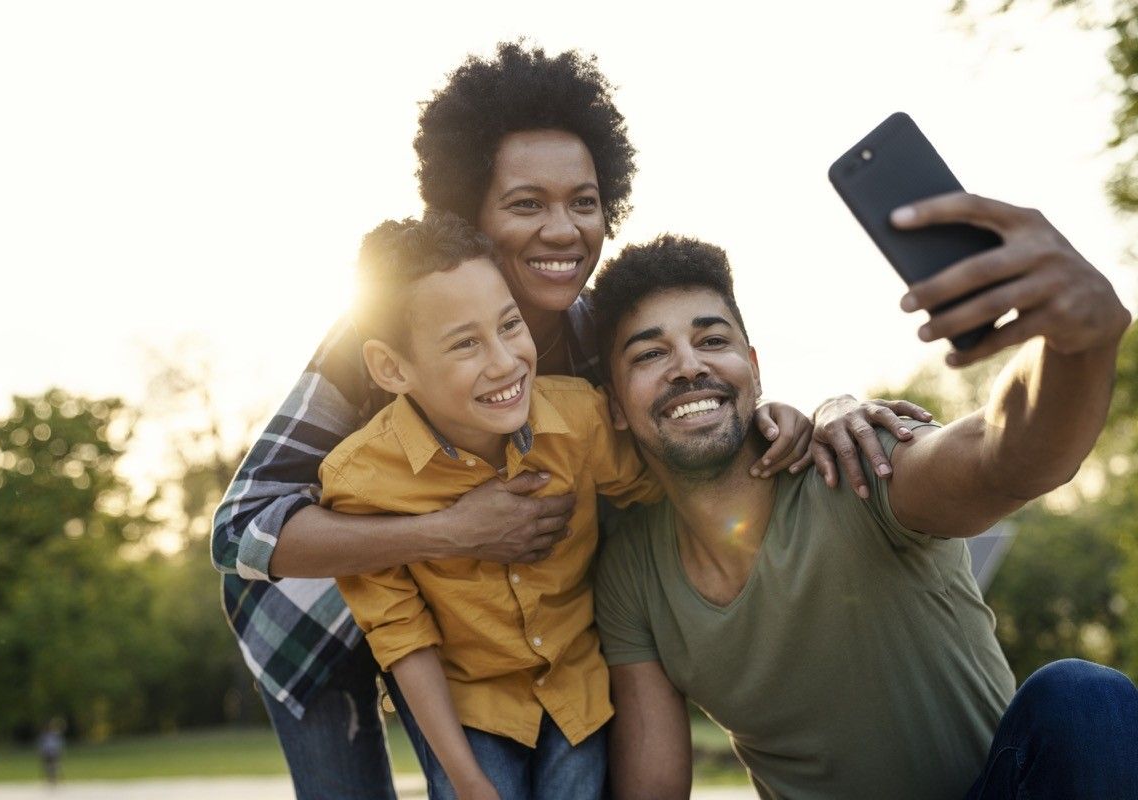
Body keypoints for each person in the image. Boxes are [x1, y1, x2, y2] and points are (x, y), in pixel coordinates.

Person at [211, 42, 925, 799]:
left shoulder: (596, 338)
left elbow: (692, 418)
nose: (564, 231)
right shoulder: (376, 338)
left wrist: (814, 412)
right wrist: (449, 530)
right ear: (468, 217)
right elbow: (240, 530)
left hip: (509, 638)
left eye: (584, 202)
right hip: (317, 616)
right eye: (527, 204)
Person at [590, 202, 1138, 799]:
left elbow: (1004, 456)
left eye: (711, 339)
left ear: (752, 367)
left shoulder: (857, 461)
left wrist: (1074, 347)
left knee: (1086, 700)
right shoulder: (632, 570)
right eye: (650, 354)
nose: (688, 367)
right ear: (616, 404)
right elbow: (652, 788)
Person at [321, 212, 663, 800]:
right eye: (465, 344)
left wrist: (774, 425)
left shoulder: (579, 420)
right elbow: (402, 639)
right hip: (467, 711)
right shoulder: (362, 480)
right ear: (391, 368)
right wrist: (467, 779)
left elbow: (663, 488)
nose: (504, 361)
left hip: (577, 688)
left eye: (510, 326)